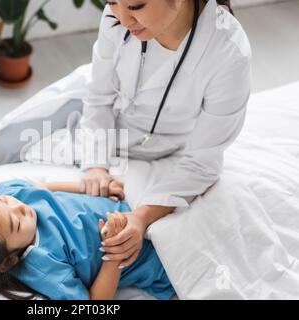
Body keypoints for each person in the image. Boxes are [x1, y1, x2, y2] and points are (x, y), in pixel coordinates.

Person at [80, 0, 251, 269]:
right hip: (105, 126)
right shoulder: (115, 18)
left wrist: (142, 217)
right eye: (111, 2)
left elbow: (202, 162)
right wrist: (95, 165)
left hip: (171, 149)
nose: (123, 19)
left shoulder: (228, 52)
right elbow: (98, 99)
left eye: (136, 6)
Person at [0, 179, 174, 300]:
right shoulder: (42, 267)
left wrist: (88, 186)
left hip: (132, 203)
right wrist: (114, 254)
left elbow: (45, 188)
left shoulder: (11, 194)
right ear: (8, 261)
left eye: (5, 202)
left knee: (185, 186)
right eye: (17, 224)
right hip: (155, 257)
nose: (21, 208)